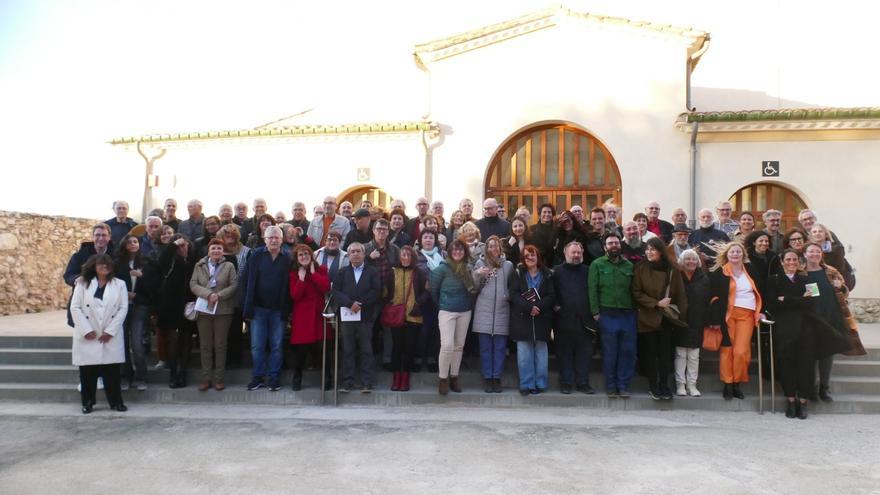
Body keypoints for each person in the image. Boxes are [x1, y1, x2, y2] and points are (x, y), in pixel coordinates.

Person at [70, 255, 129, 414]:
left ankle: (116, 402)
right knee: (88, 372)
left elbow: (123, 308)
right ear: (93, 266)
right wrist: (86, 329)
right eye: (101, 264)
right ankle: (87, 402)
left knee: (112, 372)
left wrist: (110, 331)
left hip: (110, 333)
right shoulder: (82, 283)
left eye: (108, 264)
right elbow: (75, 307)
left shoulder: (120, 284)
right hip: (89, 333)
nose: (105, 266)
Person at [632, 237, 688, 401]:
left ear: (660, 252)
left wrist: (681, 317)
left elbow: (681, 295)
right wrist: (656, 303)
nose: (649, 252)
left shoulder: (673, 270)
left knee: (665, 355)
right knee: (650, 354)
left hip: (666, 318)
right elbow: (636, 292)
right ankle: (653, 386)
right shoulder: (640, 268)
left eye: (653, 249)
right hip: (648, 316)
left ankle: (664, 385)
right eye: (647, 249)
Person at [707, 241, 764, 400]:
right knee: (727, 349)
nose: (735, 254)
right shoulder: (720, 272)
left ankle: (737, 382)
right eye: (732, 252)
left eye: (738, 252)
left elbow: (760, 290)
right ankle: (728, 383)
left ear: (743, 254)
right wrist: (714, 318)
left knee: (741, 351)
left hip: (747, 314)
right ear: (727, 254)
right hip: (727, 315)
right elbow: (714, 297)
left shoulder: (751, 270)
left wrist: (763, 312)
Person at [766, 249, 817, 419]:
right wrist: (799, 300)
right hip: (783, 328)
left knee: (806, 364)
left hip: (806, 328)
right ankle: (791, 401)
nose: (791, 262)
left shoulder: (808, 279)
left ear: (799, 262)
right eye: (788, 259)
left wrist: (786, 299)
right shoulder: (773, 280)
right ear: (781, 262)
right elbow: (772, 304)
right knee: (786, 363)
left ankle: (803, 402)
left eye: (795, 259)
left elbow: (812, 302)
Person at [803, 242, 857, 403]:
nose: (814, 254)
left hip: (831, 317)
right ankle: (811, 388)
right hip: (810, 319)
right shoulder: (801, 273)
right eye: (811, 252)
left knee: (828, 354)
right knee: (810, 355)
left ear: (821, 254)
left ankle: (824, 389)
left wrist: (841, 287)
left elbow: (844, 292)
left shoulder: (831, 271)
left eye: (817, 252)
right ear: (805, 254)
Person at [241, 226, 292, 392]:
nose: (274, 240)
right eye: (270, 237)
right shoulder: (255, 255)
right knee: (257, 345)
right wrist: (247, 306)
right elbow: (246, 280)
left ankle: (274, 378)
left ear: (282, 239)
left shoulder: (288, 258)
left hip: (278, 310)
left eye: (277, 237)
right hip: (258, 309)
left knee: (277, 345)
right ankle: (258, 377)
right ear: (265, 239)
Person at [589, 232, 637, 398]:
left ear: (620, 245)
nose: (614, 246)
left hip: (627, 314)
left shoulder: (629, 266)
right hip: (607, 313)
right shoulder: (597, 265)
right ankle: (611, 386)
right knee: (610, 352)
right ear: (605, 247)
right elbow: (592, 289)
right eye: (610, 243)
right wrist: (595, 312)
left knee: (628, 351)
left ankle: (623, 385)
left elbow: (634, 290)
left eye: (616, 243)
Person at [189, 238, 238, 391]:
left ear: (223, 251)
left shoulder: (229, 265)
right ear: (208, 251)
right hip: (204, 309)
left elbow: (234, 284)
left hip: (223, 310)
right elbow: (193, 284)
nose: (216, 251)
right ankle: (206, 378)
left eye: (219, 248)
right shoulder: (199, 265)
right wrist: (208, 294)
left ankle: (218, 379)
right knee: (205, 346)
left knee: (220, 345)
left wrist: (219, 296)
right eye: (213, 248)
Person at [333, 242, 381, 393]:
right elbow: (336, 291)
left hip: (365, 315)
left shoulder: (372, 271)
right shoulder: (342, 272)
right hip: (347, 316)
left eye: (358, 251)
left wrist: (360, 304)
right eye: (352, 252)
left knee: (366, 349)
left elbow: (376, 291)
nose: (355, 254)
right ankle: (348, 382)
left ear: (364, 254)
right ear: (348, 255)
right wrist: (349, 303)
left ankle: (367, 383)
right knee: (348, 349)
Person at [508, 244, 556, 396]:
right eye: (527, 256)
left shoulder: (548, 274)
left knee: (541, 354)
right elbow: (513, 294)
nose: (530, 258)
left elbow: (552, 296)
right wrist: (529, 307)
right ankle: (526, 384)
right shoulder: (517, 273)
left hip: (542, 318)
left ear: (538, 257)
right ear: (523, 258)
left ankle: (540, 383)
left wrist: (538, 307)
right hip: (522, 318)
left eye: (533, 255)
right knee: (524, 355)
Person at [430, 239, 475, 395]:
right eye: (455, 249)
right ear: (449, 251)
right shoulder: (441, 269)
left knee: (459, 346)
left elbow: (473, 289)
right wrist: (444, 303)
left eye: (461, 250)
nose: (457, 252)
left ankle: (454, 376)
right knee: (447, 345)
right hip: (447, 310)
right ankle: (443, 378)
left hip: (465, 310)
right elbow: (434, 291)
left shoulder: (468, 268)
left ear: (465, 252)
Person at [113, 234, 157, 391]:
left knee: (137, 343)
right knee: (122, 343)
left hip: (140, 306)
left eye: (135, 241)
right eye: (129, 242)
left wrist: (141, 279)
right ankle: (125, 376)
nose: (133, 244)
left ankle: (141, 377)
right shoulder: (117, 263)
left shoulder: (146, 262)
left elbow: (153, 286)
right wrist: (125, 293)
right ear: (124, 245)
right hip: (121, 307)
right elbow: (112, 285)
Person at [472, 235, 514, 393]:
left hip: (502, 310)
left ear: (500, 248)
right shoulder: (479, 263)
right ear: (486, 248)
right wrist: (477, 275)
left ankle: (497, 378)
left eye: (496, 246)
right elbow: (474, 288)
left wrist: (507, 295)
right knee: (485, 348)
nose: (493, 249)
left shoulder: (508, 265)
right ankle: (487, 378)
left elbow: (512, 285)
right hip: (484, 310)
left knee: (500, 348)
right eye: (490, 246)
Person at [553, 241, 594, 395]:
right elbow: (552, 291)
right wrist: (557, 307)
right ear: (566, 254)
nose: (576, 255)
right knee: (564, 353)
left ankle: (583, 383)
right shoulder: (557, 271)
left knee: (584, 353)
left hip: (585, 321)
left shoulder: (588, 270)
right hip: (563, 320)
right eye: (573, 253)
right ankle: (566, 382)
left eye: (579, 253)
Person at [288, 244, 331, 391]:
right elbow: (295, 295)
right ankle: (297, 376)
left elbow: (325, 287)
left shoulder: (321, 269)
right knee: (301, 349)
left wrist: (313, 274)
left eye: (306, 254)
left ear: (311, 255)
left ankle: (327, 376)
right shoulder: (294, 273)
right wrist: (301, 279)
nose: (304, 257)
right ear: (297, 258)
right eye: (300, 255)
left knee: (322, 347)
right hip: (303, 316)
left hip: (318, 314)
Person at [155, 235, 196, 388]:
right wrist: (173, 245)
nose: (182, 248)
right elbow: (161, 262)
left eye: (184, 245)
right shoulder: (169, 262)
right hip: (171, 306)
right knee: (173, 340)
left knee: (186, 340)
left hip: (189, 306)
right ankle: (173, 374)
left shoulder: (193, 263)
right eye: (179, 246)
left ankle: (183, 373)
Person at [386, 246, 427, 392]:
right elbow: (385, 291)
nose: (406, 257)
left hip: (413, 315)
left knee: (409, 348)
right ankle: (396, 377)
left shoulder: (419, 272)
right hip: (396, 316)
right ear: (399, 256)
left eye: (409, 255)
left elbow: (426, 291)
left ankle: (405, 378)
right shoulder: (392, 272)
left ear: (413, 257)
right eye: (403, 254)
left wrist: (418, 303)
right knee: (397, 347)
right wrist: (389, 302)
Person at [365, 218, 401, 371]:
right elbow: (354, 266)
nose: (381, 232)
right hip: (370, 295)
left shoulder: (394, 249)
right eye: (379, 229)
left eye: (384, 230)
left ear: (388, 232)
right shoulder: (365, 248)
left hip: (389, 295)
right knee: (368, 329)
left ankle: (387, 359)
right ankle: (368, 360)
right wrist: (368, 258)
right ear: (373, 231)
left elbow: (399, 270)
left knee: (388, 328)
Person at [64, 223, 114, 328]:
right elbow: (69, 274)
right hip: (84, 302)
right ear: (93, 237)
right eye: (97, 235)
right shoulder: (79, 256)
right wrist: (76, 278)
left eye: (104, 235)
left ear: (109, 237)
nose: (100, 238)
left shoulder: (116, 256)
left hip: (108, 303)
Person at [676, 249, 709, 397]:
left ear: (698, 262)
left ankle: (692, 385)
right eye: (687, 259)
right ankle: (680, 385)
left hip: (697, 320)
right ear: (681, 261)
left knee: (694, 355)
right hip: (680, 320)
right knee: (681, 354)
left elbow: (708, 301)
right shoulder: (676, 277)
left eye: (694, 259)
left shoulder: (704, 278)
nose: (691, 262)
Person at [217, 224, 249, 368]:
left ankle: (236, 359)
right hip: (220, 297)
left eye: (232, 235)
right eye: (226, 235)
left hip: (239, 296)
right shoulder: (217, 251)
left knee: (236, 329)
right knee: (223, 332)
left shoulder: (246, 251)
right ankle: (224, 361)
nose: (229, 237)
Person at [415, 229, 443, 373]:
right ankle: (419, 357)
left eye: (431, 237)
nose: (428, 240)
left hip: (438, 299)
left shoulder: (441, 255)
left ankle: (432, 358)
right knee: (422, 330)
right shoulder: (416, 256)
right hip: (422, 298)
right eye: (425, 237)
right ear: (420, 240)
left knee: (435, 330)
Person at [744, 230, 777, 297]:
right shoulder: (747, 257)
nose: (764, 243)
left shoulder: (774, 257)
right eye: (761, 241)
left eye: (766, 241)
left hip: (770, 291)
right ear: (754, 243)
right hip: (752, 291)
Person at [529, 203, 557, 267]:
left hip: (554, 264)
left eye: (549, 212)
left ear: (552, 214)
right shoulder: (532, 229)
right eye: (544, 212)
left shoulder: (557, 229)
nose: (547, 214)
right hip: (537, 263)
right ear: (540, 214)